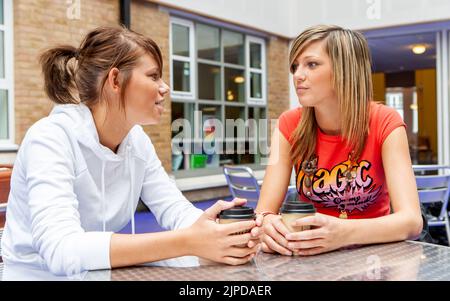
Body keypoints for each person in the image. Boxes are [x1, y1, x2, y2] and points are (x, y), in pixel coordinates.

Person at [1, 26, 261, 276]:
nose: (165, 87)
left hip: (100, 275)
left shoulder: (136, 140)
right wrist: (187, 241)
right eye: (153, 75)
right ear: (115, 80)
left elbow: (174, 209)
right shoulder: (49, 138)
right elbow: (62, 250)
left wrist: (220, 231)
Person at [255, 25, 423, 256]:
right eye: (295, 67)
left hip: (375, 257)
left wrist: (342, 233)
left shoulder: (386, 121)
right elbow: (263, 212)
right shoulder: (287, 125)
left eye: (311, 64)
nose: (297, 75)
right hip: (312, 259)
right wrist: (265, 224)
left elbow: (411, 221)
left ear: (345, 70)